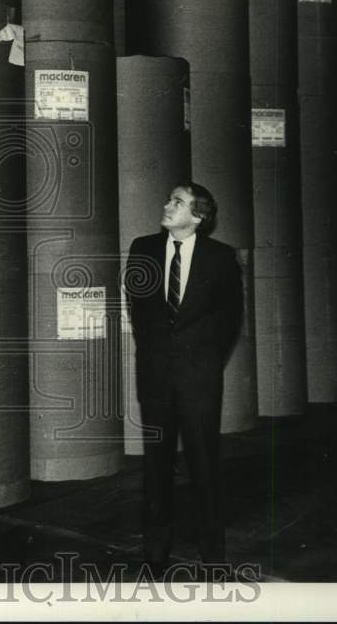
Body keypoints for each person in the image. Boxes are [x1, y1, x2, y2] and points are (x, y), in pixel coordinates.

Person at [123, 182, 244, 571]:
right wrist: (158, 355)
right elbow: (139, 311)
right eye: (168, 198)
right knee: (157, 465)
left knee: (203, 464)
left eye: (177, 202)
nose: (166, 204)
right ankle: (155, 554)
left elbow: (231, 318)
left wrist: (206, 362)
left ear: (197, 216)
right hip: (156, 376)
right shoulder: (142, 249)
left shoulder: (221, 258)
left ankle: (213, 556)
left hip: (199, 379)